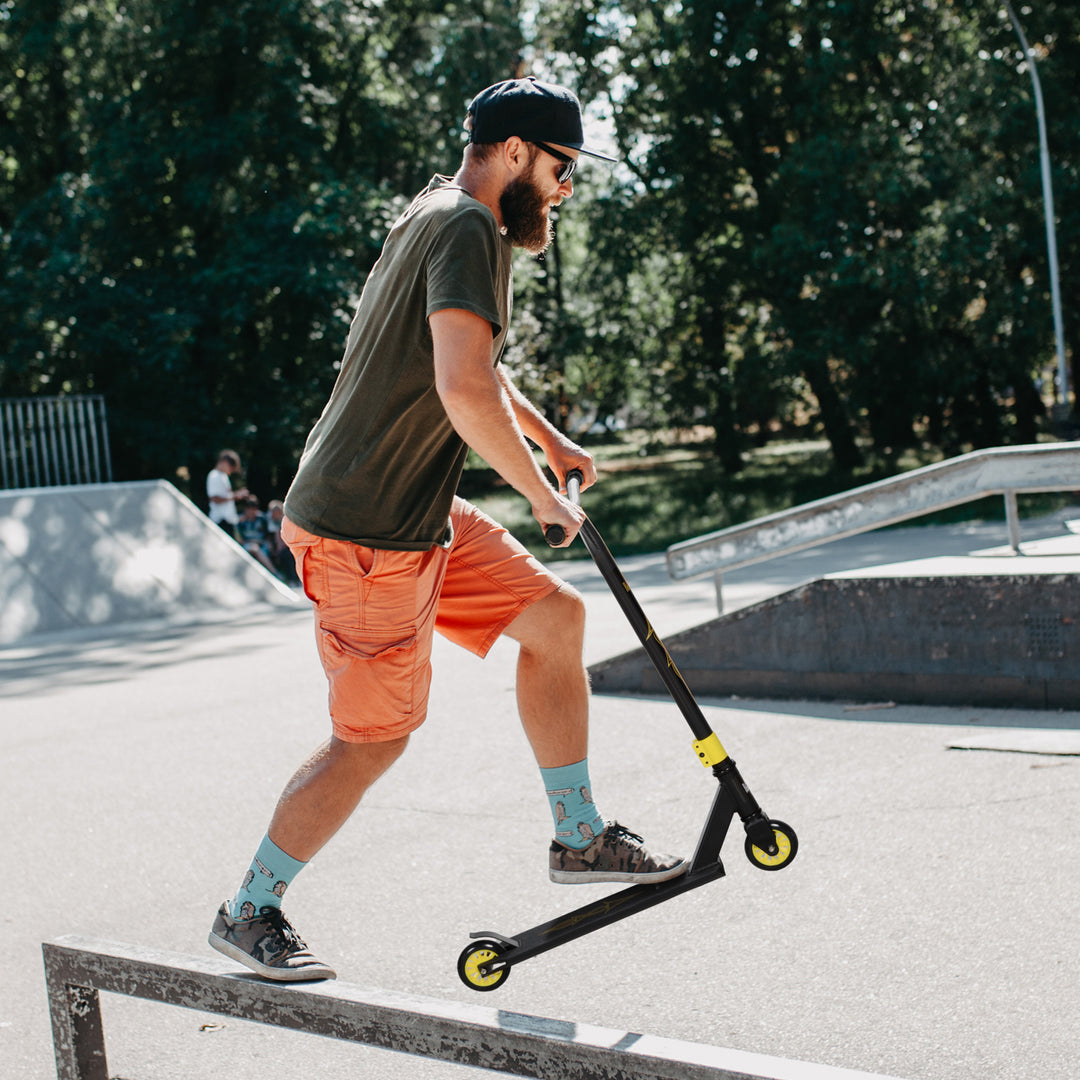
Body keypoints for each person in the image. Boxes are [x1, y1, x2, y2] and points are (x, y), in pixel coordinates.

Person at [209, 76, 687, 982]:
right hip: (362, 530)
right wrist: (541, 494)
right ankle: (250, 908)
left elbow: (468, 363)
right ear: (515, 152)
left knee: (555, 622)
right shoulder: (468, 227)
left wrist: (550, 441)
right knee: (374, 738)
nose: (564, 189)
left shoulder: (435, 211)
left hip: (416, 511)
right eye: (559, 168)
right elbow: (462, 389)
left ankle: (579, 836)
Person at [205, 450, 248, 540]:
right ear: (224, 462)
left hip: (227, 522)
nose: (231, 471)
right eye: (231, 467)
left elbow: (225, 497)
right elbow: (214, 498)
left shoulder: (223, 476)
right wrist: (234, 496)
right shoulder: (214, 475)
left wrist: (236, 495)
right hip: (220, 521)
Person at [235, 496, 279, 576]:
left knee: (264, 550)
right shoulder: (240, 521)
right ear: (246, 509)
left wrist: (269, 543)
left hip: (262, 544)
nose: (251, 511)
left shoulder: (262, 519)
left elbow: (267, 534)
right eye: (249, 508)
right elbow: (238, 539)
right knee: (255, 549)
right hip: (247, 545)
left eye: (254, 508)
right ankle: (274, 572)